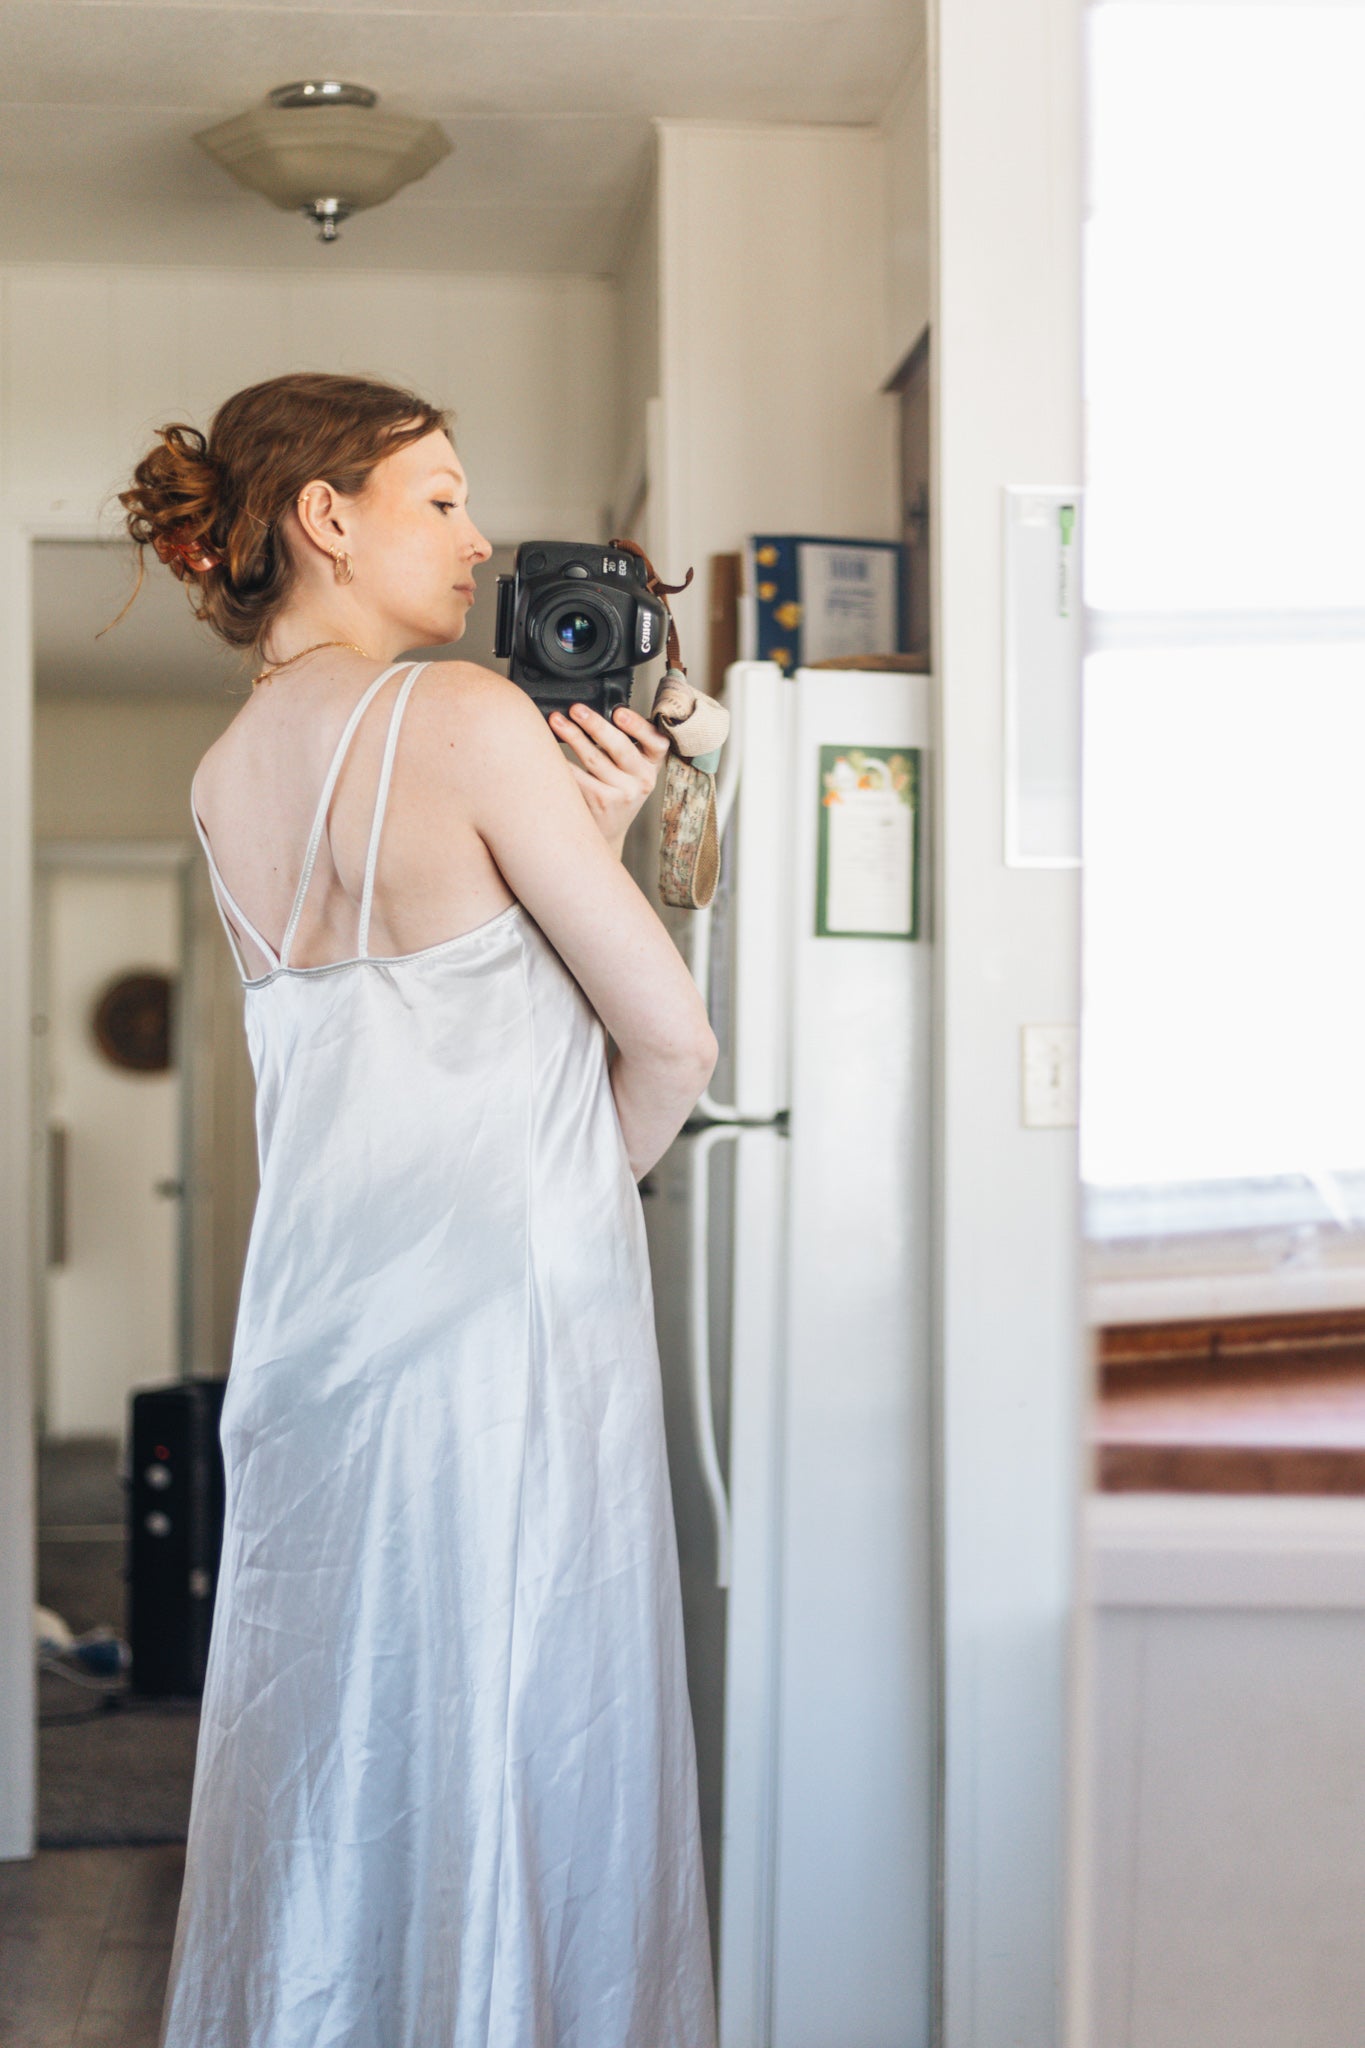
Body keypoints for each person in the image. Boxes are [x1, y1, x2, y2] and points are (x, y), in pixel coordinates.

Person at [121, 371, 719, 2048]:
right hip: (507, 1345)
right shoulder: (460, 716)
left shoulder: (223, 776)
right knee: (532, 1745)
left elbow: (408, 1027)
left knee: (344, 1754)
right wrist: (578, 1196)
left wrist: (580, 828)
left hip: (315, 1343)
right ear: (327, 517)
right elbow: (667, 1036)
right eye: (439, 498)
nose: (475, 541)